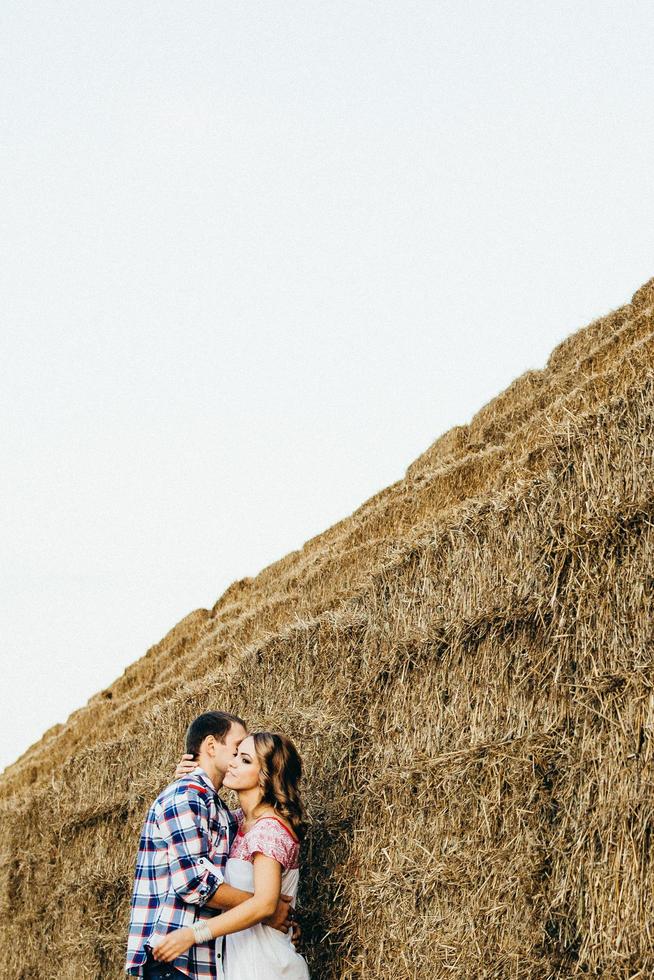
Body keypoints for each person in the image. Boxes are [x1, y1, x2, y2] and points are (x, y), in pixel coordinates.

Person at [125, 712, 294, 980]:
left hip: (207, 961)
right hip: (175, 958)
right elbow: (193, 883)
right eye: (237, 749)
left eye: (245, 757)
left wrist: (266, 905)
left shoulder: (226, 814)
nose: (237, 760)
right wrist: (267, 908)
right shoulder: (188, 798)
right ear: (212, 747)